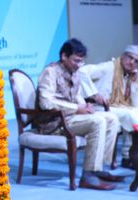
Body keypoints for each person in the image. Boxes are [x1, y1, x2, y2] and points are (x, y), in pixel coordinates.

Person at [35, 38, 124, 190]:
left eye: (81, 61)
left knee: (111, 118)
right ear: (64, 56)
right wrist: (77, 108)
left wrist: (85, 105)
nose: (79, 65)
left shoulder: (74, 72)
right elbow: (46, 102)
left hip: (70, 118)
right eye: (76, 61)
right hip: (54, 122)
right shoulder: (50, 72)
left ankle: (99, 168)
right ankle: (88, 176)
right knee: (98, 122)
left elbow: (74, 95)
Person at [80, 45, 138, 170]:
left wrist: (135, 81)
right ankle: (128, 157)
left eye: (136, 61)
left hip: (117, 107)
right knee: (130, 115)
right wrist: (94, 95)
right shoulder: (108, 67)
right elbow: (82, 72)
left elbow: (136, 103)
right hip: (99, 107)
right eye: (129, 58)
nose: (131, 62)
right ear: (123, 56)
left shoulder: (128, 75)